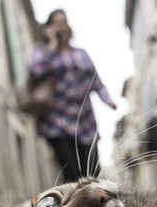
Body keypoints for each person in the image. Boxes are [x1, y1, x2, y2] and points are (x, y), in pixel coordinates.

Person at [27, 9, 117, 183]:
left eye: (65, 22)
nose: (63, 26)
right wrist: (52, 45)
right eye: (58, 23)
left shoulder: (80, 54)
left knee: (92, 171)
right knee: (73, 174)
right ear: (50, 28)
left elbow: (95, 80)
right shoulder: (42, 52)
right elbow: (35, 71)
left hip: (85, 119)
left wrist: (107, 99)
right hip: (56, 122)